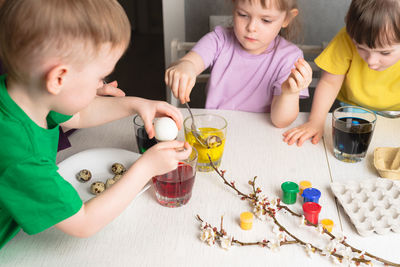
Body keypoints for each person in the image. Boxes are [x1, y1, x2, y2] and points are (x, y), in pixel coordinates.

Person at [0, 0, 192, 249]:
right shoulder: (19, 154)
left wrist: (137, 104)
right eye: (99, 77)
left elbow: (78, 115)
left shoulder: (25, 94)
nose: (101, 84)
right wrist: (146, 168)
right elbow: (83, 223)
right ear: (59, 78)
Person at [165, 0, 312, 128]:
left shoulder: (290, 57)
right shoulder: (219, 40)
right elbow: (191, 61)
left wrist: (289, 93)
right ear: (234, 8)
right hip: (217, 129)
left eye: (266, 20)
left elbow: (280, 122)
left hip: (262, 134)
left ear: (287, 18)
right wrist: (186, 67)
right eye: (243, 15)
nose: (251, 27)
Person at [283, 0, 400, 146]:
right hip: (351, 111)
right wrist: (316, 121)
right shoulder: (346, 38)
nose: (371, 61)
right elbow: (329, 82)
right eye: (361, 48)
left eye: (385, 52)